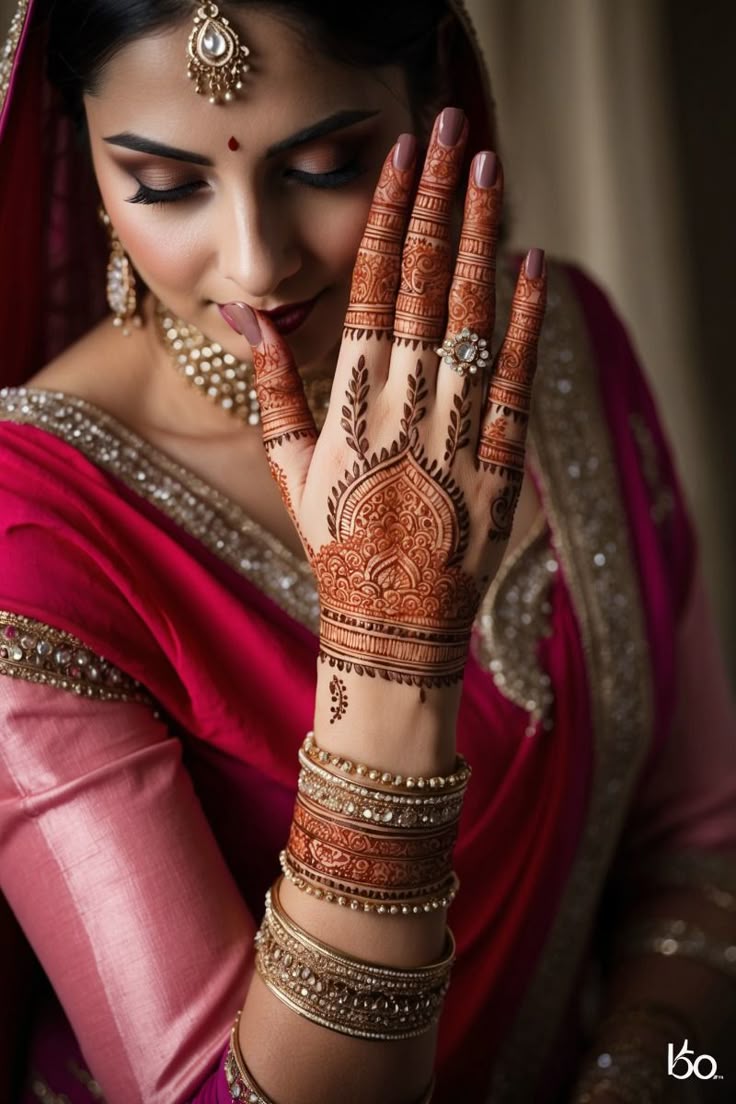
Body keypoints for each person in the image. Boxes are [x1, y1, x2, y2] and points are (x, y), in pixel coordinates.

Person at [0, 1, 734, 1102]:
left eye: (326, 167)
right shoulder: (31, 527)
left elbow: (699, 840)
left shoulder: (559, 354)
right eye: (164, 184)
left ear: (433, 106)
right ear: (87, 165)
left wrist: (656, 1068)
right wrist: (389, 652)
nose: (256, 261)